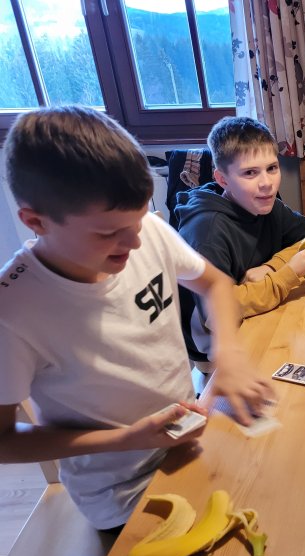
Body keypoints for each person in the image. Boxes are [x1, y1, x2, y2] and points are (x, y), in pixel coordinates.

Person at [0, 106, 273, 532]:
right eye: (108, 233)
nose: (135, 242)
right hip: (119, 491)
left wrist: (228, 352)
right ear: (37, 221)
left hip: (188, 440)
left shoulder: (147, 231)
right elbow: (5, 441)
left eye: (140, 217)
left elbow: (216, 284)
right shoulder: (12, 311)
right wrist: (129, 439)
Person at [175, 116, 305, 371]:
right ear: (223, 180)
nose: (267, 183)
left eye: (272, 168)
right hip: (215, 347)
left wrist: (271, 267)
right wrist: (288, 274)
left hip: (260, 314)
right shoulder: (207, 231)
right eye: (249, 173)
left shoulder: (267, 205)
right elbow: (220, 312)